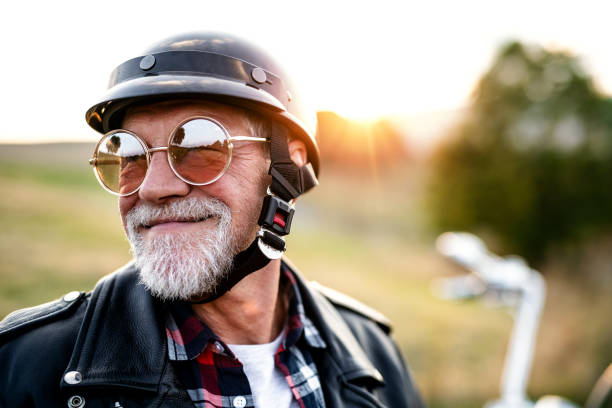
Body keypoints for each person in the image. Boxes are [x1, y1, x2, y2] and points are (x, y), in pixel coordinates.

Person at [0, 32, 424, 408]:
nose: (152, 187)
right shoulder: (23, 365)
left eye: (201, 144)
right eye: (129, 153)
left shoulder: (373, 352)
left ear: (286, 169)